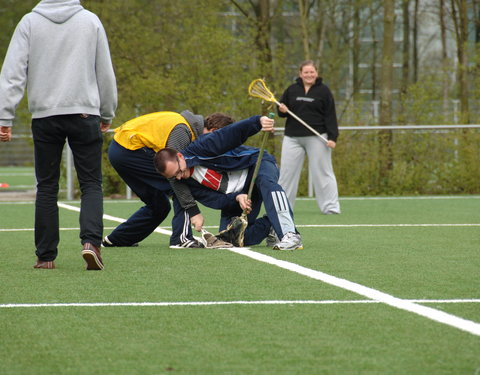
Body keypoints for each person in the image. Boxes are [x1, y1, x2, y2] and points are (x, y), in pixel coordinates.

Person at [0, 0, 117, 270]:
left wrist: (5, 115)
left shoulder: (29, 22)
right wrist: (107, 112)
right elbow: (105, 72)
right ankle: (91, 244)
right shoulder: (90, 21)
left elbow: (13, 72)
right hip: (85, 113)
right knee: (90, 184)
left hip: (45, 116)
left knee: (47, 186)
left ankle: (45, 256)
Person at [154, 115, 303, 251]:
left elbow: (229, 134)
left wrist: (257, 122)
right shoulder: (189, 184)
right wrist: (237, 197)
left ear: (180, 156)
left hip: (256, 163)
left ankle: (290, 234)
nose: (179, 178)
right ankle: (270, 225)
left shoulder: (201, 147)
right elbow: (217, 201)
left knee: (266, 182)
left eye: (179, 171)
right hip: (239, 195)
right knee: (232, 239)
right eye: (174, 177)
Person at [103, 110, 237, 249]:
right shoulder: (183, 131)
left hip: (119, 150)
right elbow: (174, 176)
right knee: (179, 181)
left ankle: (118, 239)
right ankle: (182, 239)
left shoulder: (188, 129)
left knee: (159, 205)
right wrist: (194, 211)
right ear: (214, 131)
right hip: (129, 150)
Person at [277, 60, 341, 214]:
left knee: (323, 172)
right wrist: (282, 109)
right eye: (306, 72)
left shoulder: (324, 91)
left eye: (312, 72)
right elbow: (280, 111)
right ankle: (283, 208)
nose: (309, 75)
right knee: (286, 174)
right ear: (300, 74)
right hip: (292, 138)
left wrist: (333, 137)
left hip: (317, 137)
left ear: (316, 73)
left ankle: (331, 208)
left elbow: (330, 115)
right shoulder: (292, 90)